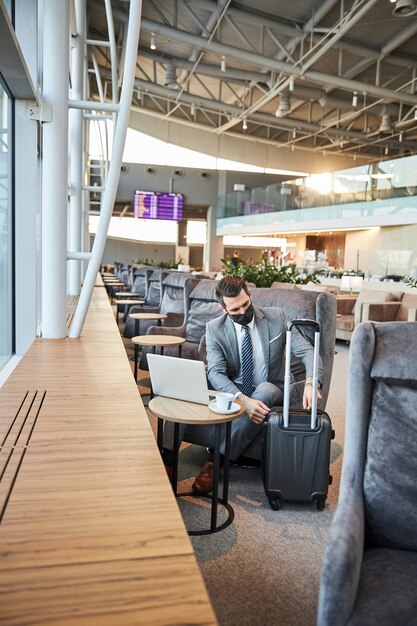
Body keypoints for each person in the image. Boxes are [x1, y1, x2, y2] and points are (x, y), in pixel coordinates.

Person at [190, 275, 323, 494]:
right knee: (189, 383)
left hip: (272, 387)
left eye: (245, 304)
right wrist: (244, 401)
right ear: (223, 309)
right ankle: (167, 457)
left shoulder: (277, 317)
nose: (243, 312)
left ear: (250, 295)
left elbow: (308, 351)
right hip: (237, 389)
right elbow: (216, 372)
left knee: (265, 390)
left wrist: (311, 382)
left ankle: (217, 461)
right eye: (235, 310)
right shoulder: (214, 328)